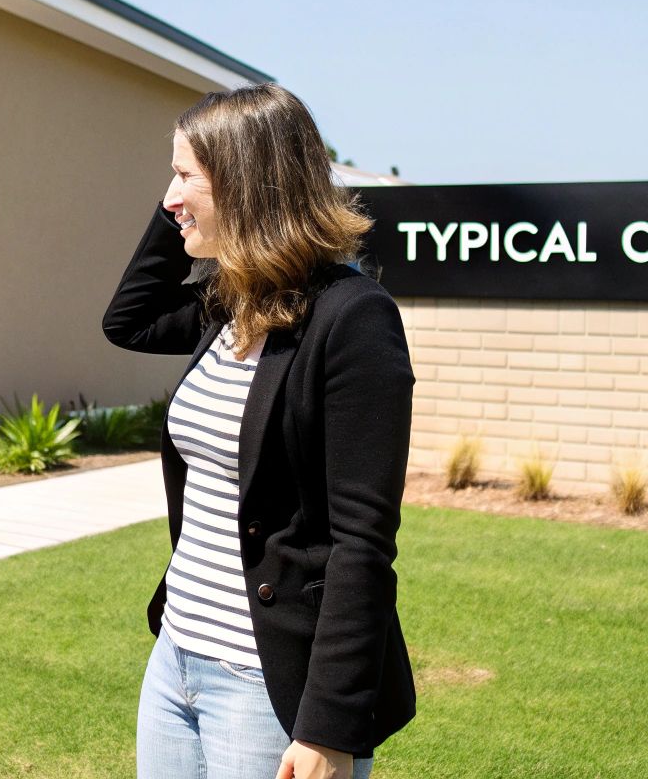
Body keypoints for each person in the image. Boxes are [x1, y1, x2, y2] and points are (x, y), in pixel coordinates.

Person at [104, 84, 416, 779]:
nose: (170, 196)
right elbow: (129, 320)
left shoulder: (352, 319)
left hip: (265, 687)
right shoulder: (232, 302)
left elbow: (361, 542)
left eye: (185, 175)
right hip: (177, 658)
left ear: (246, 183)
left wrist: (329, 726)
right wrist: (179, 212)